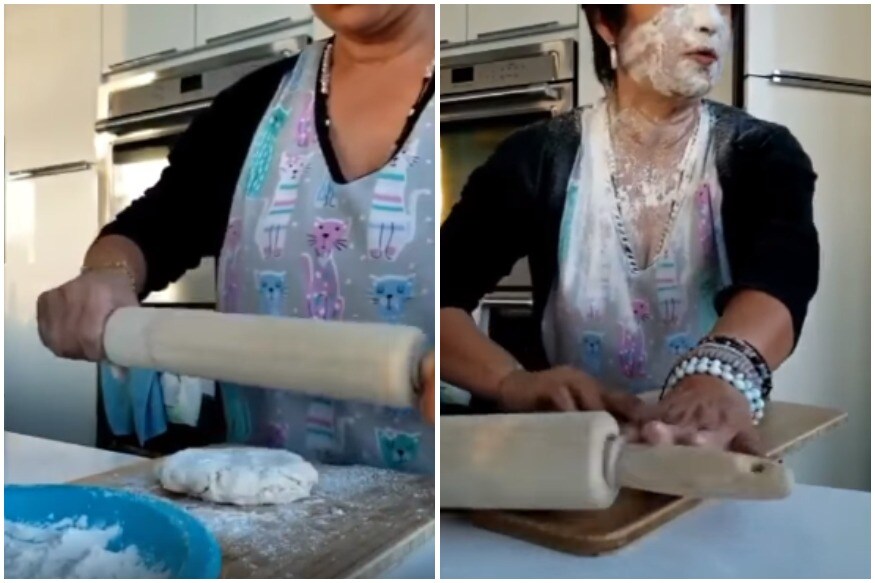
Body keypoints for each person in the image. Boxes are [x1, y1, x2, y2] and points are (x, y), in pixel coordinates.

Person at [37, 5, 436, 473]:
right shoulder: (254, 106)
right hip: (265, 499)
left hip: (458, 522)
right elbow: (154, 226)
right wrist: (106, 274)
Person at [440, 4, 819, 454]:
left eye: (723, 5)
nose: (709, 21)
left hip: (715, 449)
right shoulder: (539, 157)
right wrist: (511, 382)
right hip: (577, 458)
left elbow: (780, 283)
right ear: (606, 23)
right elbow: (439, 295)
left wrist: (719, 374)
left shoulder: (762, 153)